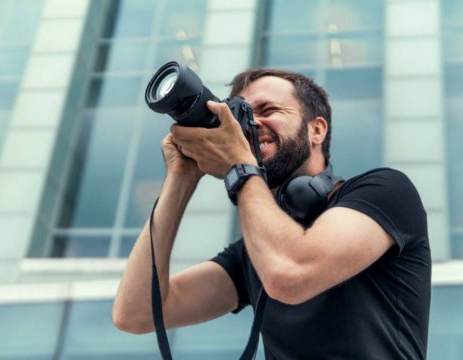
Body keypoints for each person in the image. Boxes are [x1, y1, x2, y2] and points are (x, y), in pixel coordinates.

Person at [112, 68, 431, 359]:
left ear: (316, 130)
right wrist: (180, 179)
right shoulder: (255, 253)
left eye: (268, 110)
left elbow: (290, 273)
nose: (252, 124)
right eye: (243, 116)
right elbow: (136, 312)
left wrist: (239, 166)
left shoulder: (385, 191)